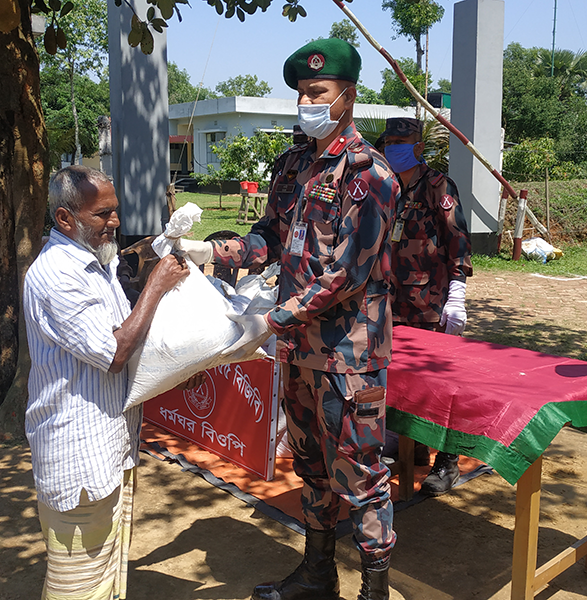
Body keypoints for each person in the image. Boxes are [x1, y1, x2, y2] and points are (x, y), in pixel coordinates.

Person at [175, 37, 400, 600]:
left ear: (347, 97)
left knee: (360, 472)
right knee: (311, 466)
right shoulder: (294, 164)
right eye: (301, 92)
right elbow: (269, 239)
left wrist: (274, 318)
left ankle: (374, 587)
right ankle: (318, 576)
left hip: (347, 355)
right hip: (297, 350)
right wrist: (214, 252)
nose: (306, 102)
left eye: (317, 92)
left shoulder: (369, 174)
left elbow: (347, 272)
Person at [25, 165, 201, 600]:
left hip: (105, 446)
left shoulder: (97, 264)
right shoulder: (57, 274)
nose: (116, 223)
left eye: (115, 211)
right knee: (77, 582)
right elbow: (114, 353)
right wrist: (155, 287)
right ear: (65, 219)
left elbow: (128, 329)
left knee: (103, 569)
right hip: (77, 452)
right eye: (103, 214)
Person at [381, 117, 473, 495]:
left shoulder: (438, 187)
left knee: (438, 384)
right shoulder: (381, 186)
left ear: (418, 147)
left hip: (429, 304)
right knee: (398, 378)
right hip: (389, 303)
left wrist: (458, 293)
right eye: (390, 143)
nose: (394, 150)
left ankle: (447, 462)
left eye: (402, 143)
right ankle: (413, 448)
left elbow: (458, 240)